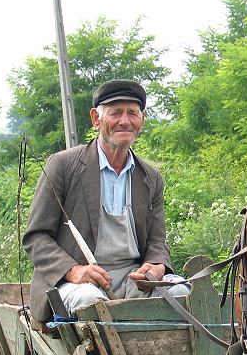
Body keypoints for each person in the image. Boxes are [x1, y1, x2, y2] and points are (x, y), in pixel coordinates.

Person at [23, 79, 189, 322]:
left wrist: (155, 266)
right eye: (115, 113)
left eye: (132, 113)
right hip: (78, 281)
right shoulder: (63, 165)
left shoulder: (150, 178)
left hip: (132, 280)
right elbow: (36, 237)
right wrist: (73, 270)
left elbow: (157, 241)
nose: (125, 121)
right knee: (90, 303)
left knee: (180, 291)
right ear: (96, 119)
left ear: (141, 120)